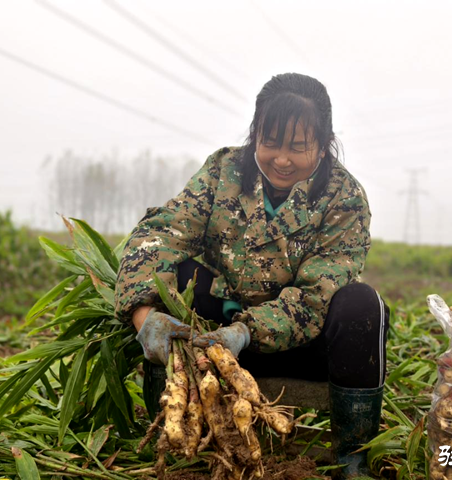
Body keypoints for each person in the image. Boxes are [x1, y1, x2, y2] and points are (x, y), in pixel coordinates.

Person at [114, 72, 390, 479]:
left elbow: (316, 298)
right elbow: (161, 233)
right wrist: (144, 316)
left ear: (323, 144)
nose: (281, 159)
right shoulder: (224, 170)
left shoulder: (343, 198)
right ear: (255, 134)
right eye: (270, 143)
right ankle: (170, 430)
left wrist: (244, 333)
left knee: (363, 305)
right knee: (177, 274)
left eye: (298, 147)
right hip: (211, 343)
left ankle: (353, 456)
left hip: (298, 346)